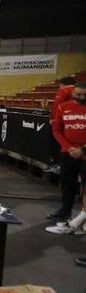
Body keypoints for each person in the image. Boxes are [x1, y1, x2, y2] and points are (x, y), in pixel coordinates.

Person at [46, 82, 86, 227]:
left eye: (85, 95)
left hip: (85, 153)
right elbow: (57, 130)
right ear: (73, 93)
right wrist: (69, 148)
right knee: (67, 183)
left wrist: (82, 150)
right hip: (68, 152)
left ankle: (83, 215)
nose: (82, 97)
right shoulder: (63, 107)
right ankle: (65, 211)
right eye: (78, 94)